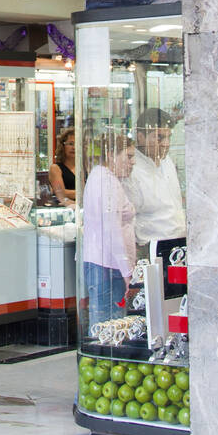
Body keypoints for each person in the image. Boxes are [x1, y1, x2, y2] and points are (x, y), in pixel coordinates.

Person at [81, 134, 137, 325]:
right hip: (109, 266)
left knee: (105, 324)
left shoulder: (102, 178)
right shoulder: (106, 182)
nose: (133, 162)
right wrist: (127, 271)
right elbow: (111, 231)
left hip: (105, 263)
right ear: (111, 154)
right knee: (109, 326)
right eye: (128, 157)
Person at [123, 107, 185, 263]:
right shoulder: (132, 168)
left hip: (179, 240)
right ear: (140, 136)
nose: (166, 144)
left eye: (168, 137)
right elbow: (128, 218)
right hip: (151, 246)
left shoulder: (167, 162)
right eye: (159, 137)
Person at [49, 128, 77, 206]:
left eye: (77, 144)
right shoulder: (55, 168)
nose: (74, 148)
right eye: (71, 144)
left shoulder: (84, 168)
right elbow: (61, 193)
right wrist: (85, 193)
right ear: (63, 146)